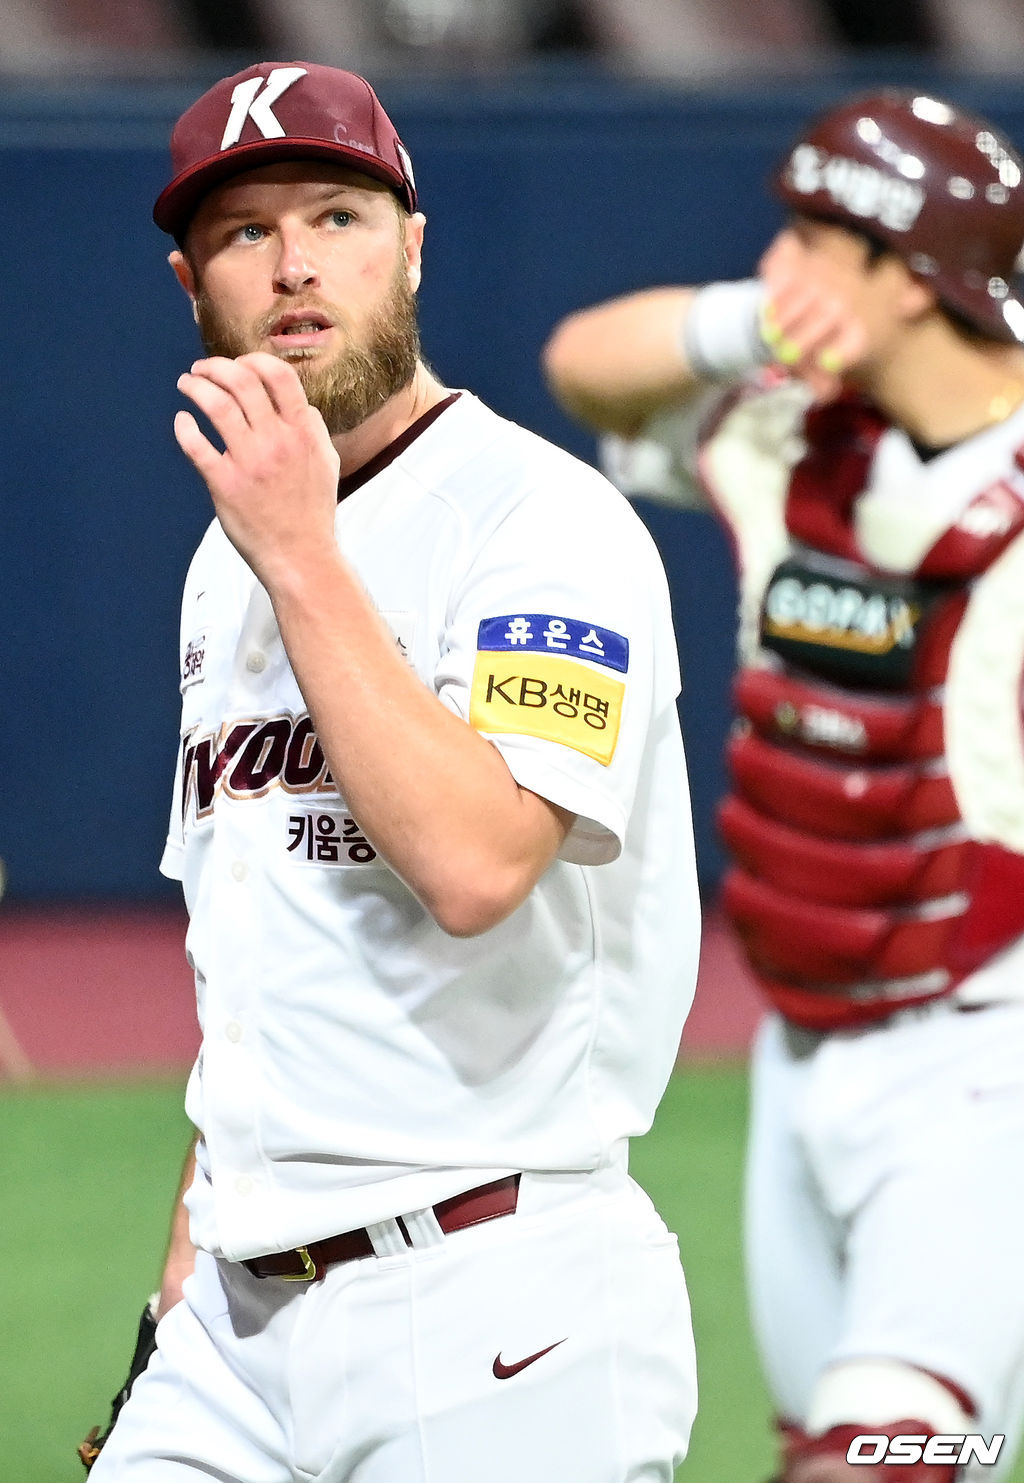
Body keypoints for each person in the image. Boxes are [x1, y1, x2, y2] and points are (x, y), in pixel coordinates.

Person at [84, 59, 700, 1482]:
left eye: (339, 215)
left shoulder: (544, 525)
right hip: (235, 1329)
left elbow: (479, 864)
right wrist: (187, 1257)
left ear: (413, 244)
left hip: (493, 1300)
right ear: (193, 284)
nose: (297, 265)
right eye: (246, 233)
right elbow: (252, 945)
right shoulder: (222, 559)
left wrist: (301, 552)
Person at [543, 89, 1024, 1483]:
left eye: (817, 238)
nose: (778, 268)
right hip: (804, 1050)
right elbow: (585, 366)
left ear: (914, 273)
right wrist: (737, 330)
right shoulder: (788, 435)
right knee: (872, 1447)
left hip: (987, 1054)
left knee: (875, 1457)